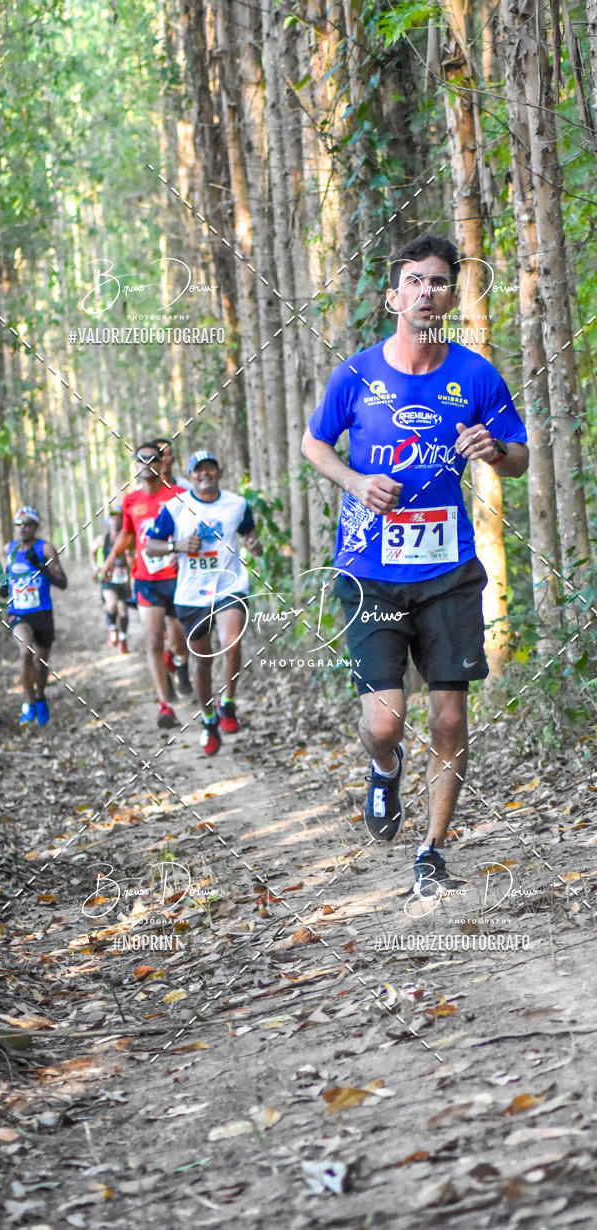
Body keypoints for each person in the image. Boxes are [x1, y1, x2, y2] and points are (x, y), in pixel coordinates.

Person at [302, 233, 528, 897]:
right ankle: (384, 768)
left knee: (451, 716)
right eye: (415, 281)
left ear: (451, 294)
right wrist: (354, 481)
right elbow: (315, 444)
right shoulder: (357, 375)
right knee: (384, 722)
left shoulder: (476, 375)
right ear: (393, 296)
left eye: (438, 282)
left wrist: (493, 450)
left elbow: (517, 458)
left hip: (447, 569)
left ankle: (431, 850)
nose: (426, 292)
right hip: (369, 569)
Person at [145, 449, 262, 755]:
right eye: (198, 470)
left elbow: (250, 534)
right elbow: (151, 547)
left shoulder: (237, 504)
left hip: (229, 587)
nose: (204, 474)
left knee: (231, 642)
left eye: (210, 468)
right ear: (191, 476)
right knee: (202, 662)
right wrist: (178, 545)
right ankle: (209, 719)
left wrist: (254, 543)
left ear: (219, 473)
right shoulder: (175, 507)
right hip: (191, 594)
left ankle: (229, 703)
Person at [102, 442, 189, 728]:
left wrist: (179, 552)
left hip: (175, 578)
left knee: (179, 643)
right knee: (152, 640)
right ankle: (165, 706)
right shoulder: (130, 501)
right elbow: (127, 535)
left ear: (162, 463)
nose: (146, 464)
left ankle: (177, 661)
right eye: (140, 460)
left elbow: (190, 532)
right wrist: (110, 559)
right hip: (145, 579)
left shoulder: (178, 495)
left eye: (151, 459)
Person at [5, 506, 68, 726]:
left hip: (42, 613)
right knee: (25, 652)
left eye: (28, 524)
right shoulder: (8, 549)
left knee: (40, 664)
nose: (22, 528)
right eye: (19, 524)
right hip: (18, 614)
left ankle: (40, 697)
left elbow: (62, 583)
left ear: (36, 526)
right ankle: (29, 704)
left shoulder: (46, 548)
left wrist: (40, 566)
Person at [152, 436, 192, 695]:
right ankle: (167, 682)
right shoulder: (141, 493)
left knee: (179, 636)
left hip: (182, 572)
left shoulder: (186, 489)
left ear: (173, 458)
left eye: (167, 454)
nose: (163, 459)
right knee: (156, 635)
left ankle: (181, 666)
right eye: (158, 455)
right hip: (152, 575)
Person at [93, 508, 131, 652]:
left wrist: (129, 556)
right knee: (111, 604)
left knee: (123, 611)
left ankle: (123, 638)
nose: (115, 520)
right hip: (108, 579)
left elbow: (133, 561)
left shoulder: (128, 538)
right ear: (108, 522)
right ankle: (112, 627)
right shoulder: (102, 539)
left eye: (118, 517)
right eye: (112, 518)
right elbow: (93, 552)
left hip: (124, 580)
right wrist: (96, 568)